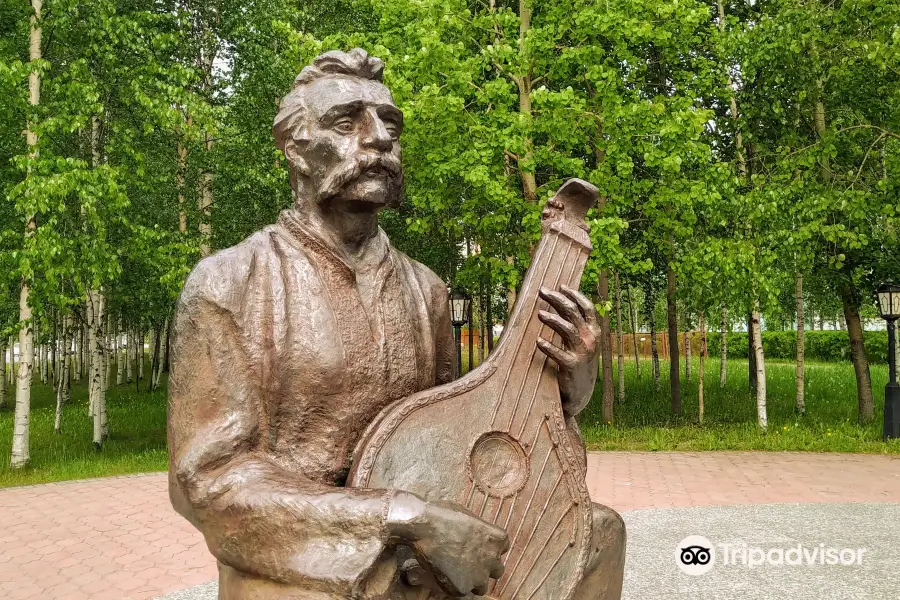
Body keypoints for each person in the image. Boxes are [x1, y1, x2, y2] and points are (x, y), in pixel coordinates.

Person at [168, 48, 624, 600]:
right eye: (347, 120)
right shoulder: (231, 282)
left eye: (390, 124)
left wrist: (569, 387)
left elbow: (455, 427)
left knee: (596, 534)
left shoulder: (426, 289)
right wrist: (398, 517)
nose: (379, 137)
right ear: (294, 148)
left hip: (425, 544)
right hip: (309, 559)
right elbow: (207, 483)